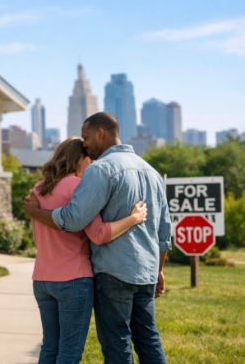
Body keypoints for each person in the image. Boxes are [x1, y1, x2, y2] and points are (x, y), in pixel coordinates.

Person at [24, 112, 171, 364]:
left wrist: (35, 212)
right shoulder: (153, 173)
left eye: (87, 136)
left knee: (117, 341)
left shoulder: (101, 170)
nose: (86, 144)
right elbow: (164, 233)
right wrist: (158, 270)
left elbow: (72, 220)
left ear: (101, 133)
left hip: (113, 272)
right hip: (146, 271)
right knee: (148, 338)